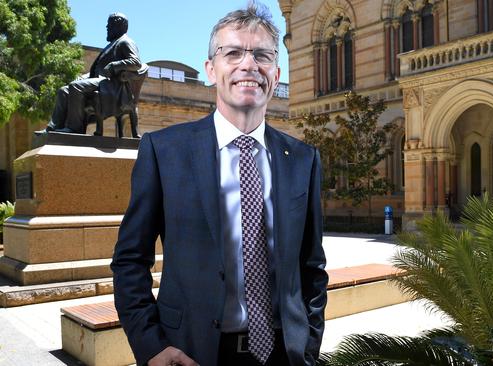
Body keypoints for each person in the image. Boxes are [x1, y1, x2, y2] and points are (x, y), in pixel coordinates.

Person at [110, 3, 328, 366]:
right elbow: (130, 260)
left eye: (262, 55)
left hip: (284, 355)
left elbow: (312, 267)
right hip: (192, 352)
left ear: (275, 73)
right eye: (233, 53)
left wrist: (308, 346)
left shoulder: (304, 159)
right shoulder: (164, 151)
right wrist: (152, 346)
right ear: (211, 69)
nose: (249, 65)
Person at [42, 12, 141, 133]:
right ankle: (53, 127)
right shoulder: (111, 44)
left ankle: (75, 129)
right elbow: (96, 71)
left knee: (75, 87)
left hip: (113, 85)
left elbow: (136, 62)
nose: (107, 28)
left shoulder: (125, 42)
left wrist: (114, 65)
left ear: (118, 26)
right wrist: (82, 77)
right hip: (101, 81)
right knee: (64, 90)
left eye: (109, 25)